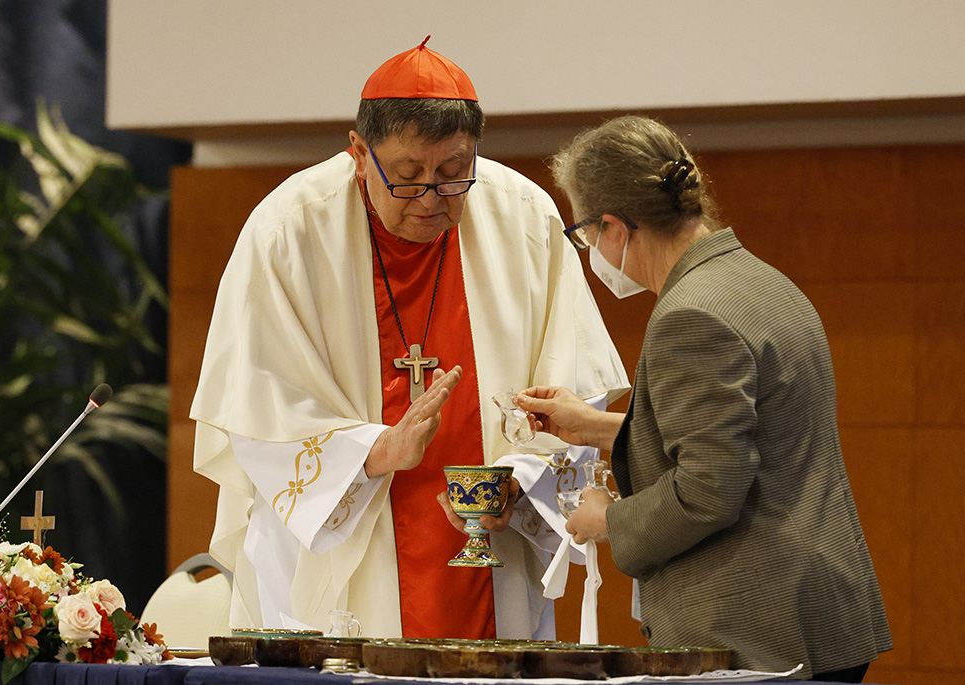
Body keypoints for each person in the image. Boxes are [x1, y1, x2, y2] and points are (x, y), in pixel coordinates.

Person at [189, 37, 629, 640]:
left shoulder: (524, 217)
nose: (431, 198)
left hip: (490, 560)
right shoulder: (288, 229)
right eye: (407, 176)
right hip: (338, 555)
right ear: (357, 152)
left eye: (453, 174)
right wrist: (373, 453)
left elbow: (578, 387)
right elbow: (256, 407)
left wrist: (521, 482)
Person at [515, 115, 892, 681]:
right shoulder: (761, 281)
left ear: (615, 227)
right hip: (815, 613)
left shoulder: (689, 314)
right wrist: (595, 425)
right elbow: (746, 435)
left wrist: (609, 520)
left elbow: (709, 487)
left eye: (585, 234)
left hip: (753, 628)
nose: (590, 250)